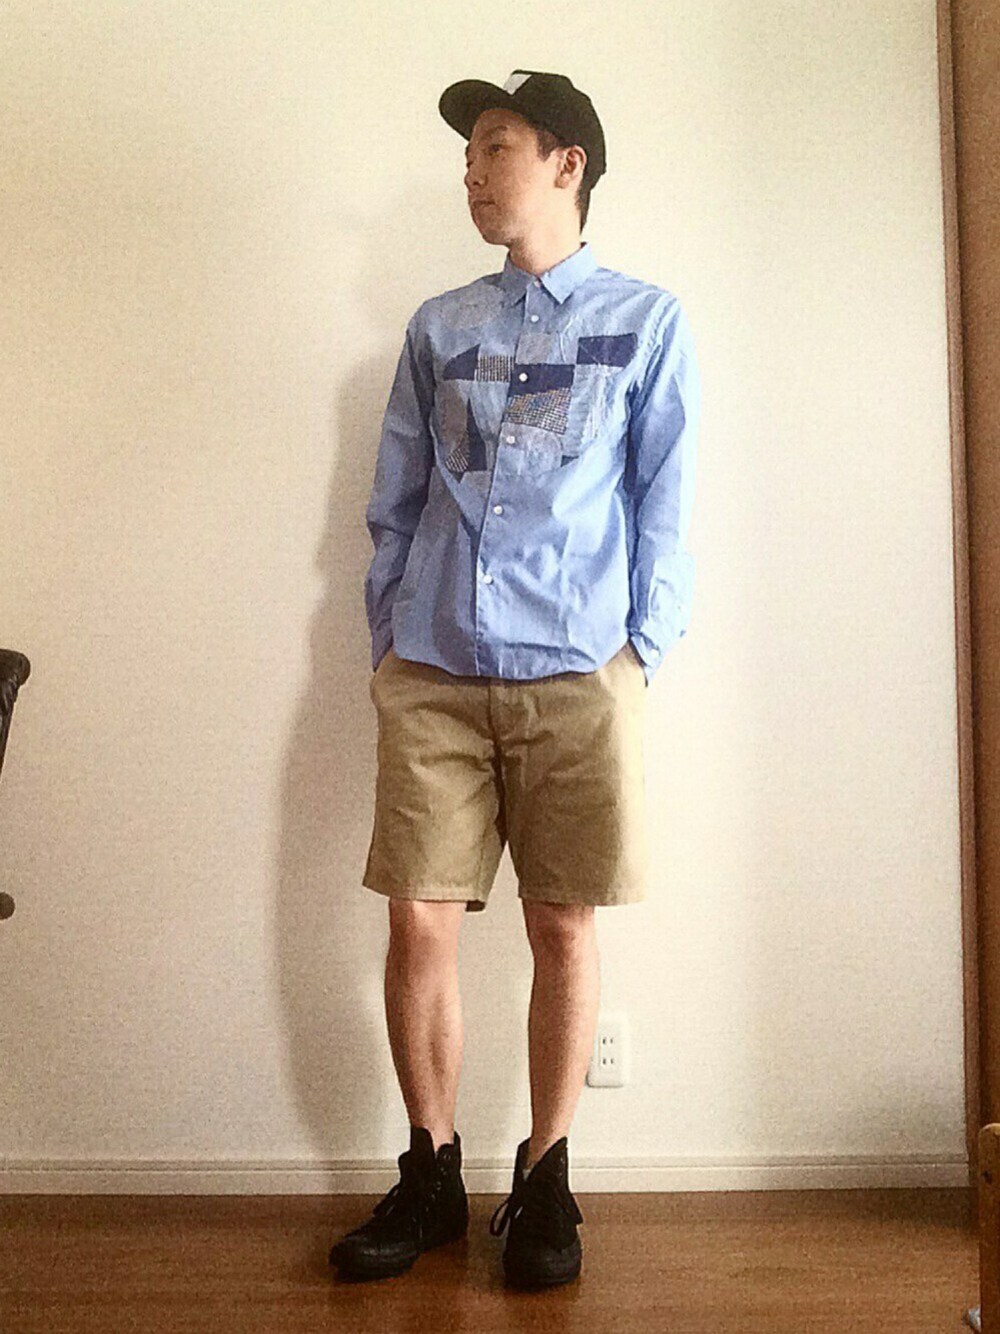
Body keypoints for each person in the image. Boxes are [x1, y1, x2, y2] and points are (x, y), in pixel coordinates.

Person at [328, 69, 700, 1289]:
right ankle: (432, 1171)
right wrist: (388, 634)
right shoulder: (439, 327)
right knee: (416, 916)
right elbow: (392, 496)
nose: (472, 170)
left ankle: (545, 1177)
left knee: (561, 920)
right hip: (433, 665)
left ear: (565, 163)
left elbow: (665, 501)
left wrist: (638, 646)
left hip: (577, 672)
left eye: (494, 145)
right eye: (469, 152)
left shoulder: (646, 321)